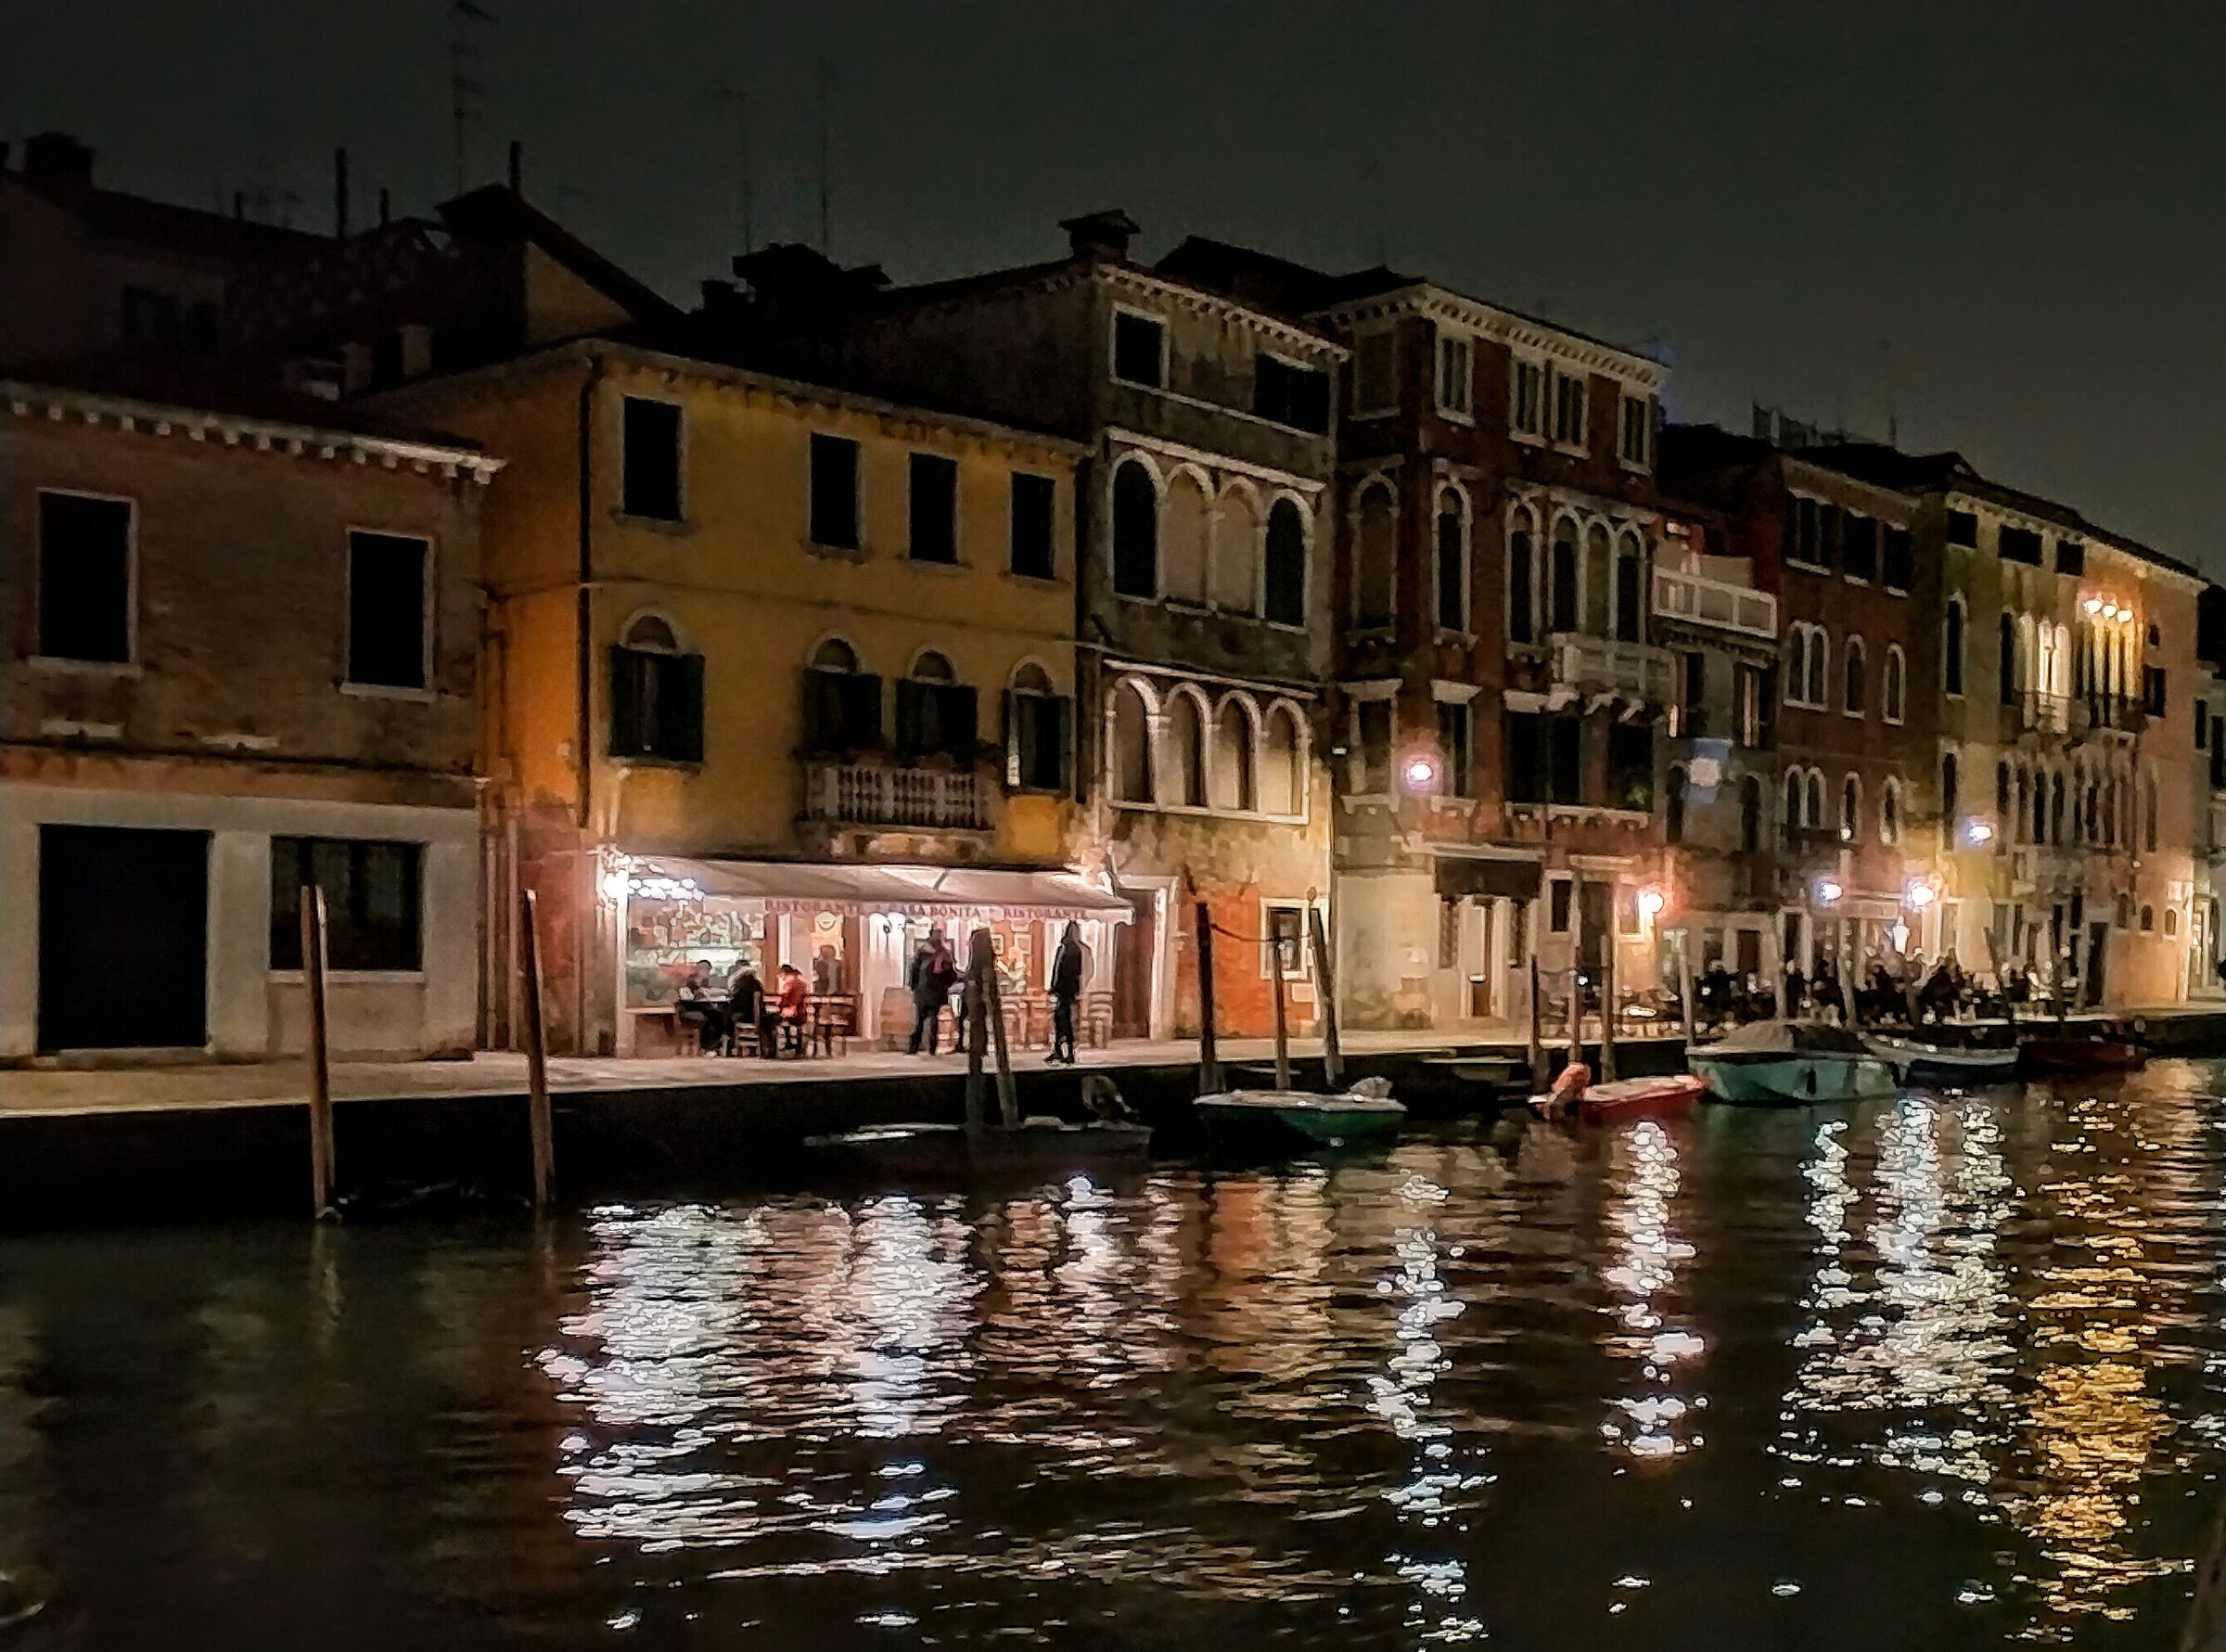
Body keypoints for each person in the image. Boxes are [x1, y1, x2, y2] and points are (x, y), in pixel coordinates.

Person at [907, 931, 956, 1055]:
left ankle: (915, 1047)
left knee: (921, 1020)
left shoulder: (923, 952)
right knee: (931, 1020)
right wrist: (945, 986)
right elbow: (951, 975)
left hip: (924, 991)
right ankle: (931, 1048)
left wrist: (913, 987)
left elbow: (914, 971)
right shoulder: (943, 954)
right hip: (934, 992)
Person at [1048, 921, 1085, 1064]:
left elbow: (1071, 972)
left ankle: (1068, 1053)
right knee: (1059, 1021)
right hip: (1062, 991)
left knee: (1065, 1022)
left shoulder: (1073, 950)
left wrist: (1063, 987)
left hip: (1066, 992)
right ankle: (1058, 1051)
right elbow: (1058, 969)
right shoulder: (1063, 948)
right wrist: (1054, 986)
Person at [727, 959, 767, 1055]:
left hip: (745, 1015)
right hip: (756, 1016)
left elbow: (738, 1003)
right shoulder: (758, 984)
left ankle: (729, 1046)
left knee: (726, 1017)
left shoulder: (741, 985)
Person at [774, 963, 810, 1055]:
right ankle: (798, 1045)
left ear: (785, 972)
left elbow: (785, 996)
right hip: (801, 1011)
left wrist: (779, 1004)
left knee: (781, 1020)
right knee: (797, 1026)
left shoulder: (789, 981)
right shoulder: (801, 981)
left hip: (792, 1011)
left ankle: (788, 1041)